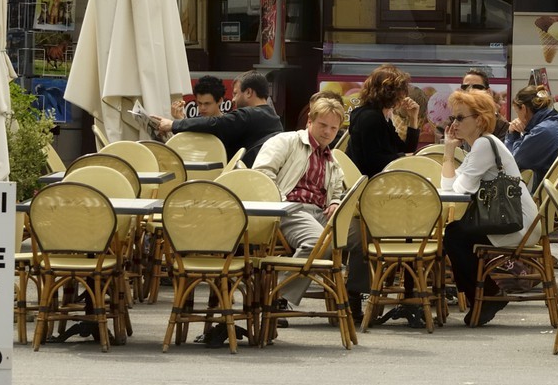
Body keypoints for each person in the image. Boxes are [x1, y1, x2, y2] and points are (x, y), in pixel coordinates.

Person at [440, 89, 536, 327]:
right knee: (456, 233)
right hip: (511, 219)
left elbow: (459, 189)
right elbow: (450, 185)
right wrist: (449, 150)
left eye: (460, 118)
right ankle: (486, 296)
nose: (454, 124)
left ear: (480, 119)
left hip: (516, 223)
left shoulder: (484, 144)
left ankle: (486, 297)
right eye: (453, 118)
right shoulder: (480, 145)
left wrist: (452, 161)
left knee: (454, 235)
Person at [251, 96, 347, 308]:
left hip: (321, 212)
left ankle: (355, 296)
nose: (327, 132)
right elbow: (261, 175)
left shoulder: (331, 158)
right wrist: (281, 202)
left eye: (333, 128)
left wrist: (336, 202)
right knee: (317, 242)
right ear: (309, 122)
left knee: (361, 233)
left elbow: (338, 188)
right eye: (322, 125)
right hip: (289, 209)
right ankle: (279, 296)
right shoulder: (285, 141)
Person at [154, 70, 283, 167]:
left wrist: (174, 124)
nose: (232, 99)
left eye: (235, 93)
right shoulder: (273, 118)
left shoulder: (249, 115)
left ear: (248, 92)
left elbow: (217, 123)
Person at [504, 84, 558, 207]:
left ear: (523, 108)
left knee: (509, 207)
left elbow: (513, 161)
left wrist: (513, 134)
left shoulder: (543, 130)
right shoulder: (553, 124)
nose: (518, 118)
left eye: (517, 112)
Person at [345, 64, 422, 177]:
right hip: (369, 183)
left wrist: (413, 118)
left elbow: (405, 149)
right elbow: (374, 162)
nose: (404, 95)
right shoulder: (371, 118)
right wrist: (406, 157)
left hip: (377, 179)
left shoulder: (381, 116)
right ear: (391, 92)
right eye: (401, 90)